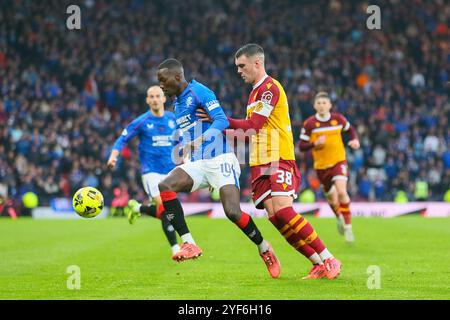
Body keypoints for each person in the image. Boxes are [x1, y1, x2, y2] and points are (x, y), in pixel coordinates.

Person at [198, 44, 341, 280]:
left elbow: (253, 125)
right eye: (237, 67)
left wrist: (221, 119)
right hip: (260, 161)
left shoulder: (269, 89)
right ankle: (316, 263)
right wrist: (215, 129)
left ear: (257, 63)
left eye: (242, 66)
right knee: (275, 217)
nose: (239, 71)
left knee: (284, 211)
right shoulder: (254, 94)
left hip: (278, 156)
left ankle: (329, 258)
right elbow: (249, 133)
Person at [156, 58, 281, 278]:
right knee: (165, 185)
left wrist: (200, 140)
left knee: (232, 212)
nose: (161, 86)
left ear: (177, 77)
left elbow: (221, 120)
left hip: (221, 158)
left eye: (163, 80)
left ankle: (264, 248)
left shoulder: (199, 92)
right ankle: (189, 243)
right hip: (198, 163)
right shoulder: (176, 104)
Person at [107, 86, 182, 258]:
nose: (155, 99)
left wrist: (185, 156)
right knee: (166, 208)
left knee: (169, 211)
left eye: (158, 96)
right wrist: (113, 156)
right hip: (151, 172)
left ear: (164, 99)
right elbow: (123, 138)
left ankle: (138, 207)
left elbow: (181, 139)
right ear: (147, 100)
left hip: (171, 172)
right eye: (151, 97)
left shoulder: (172, 119)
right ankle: (175, 249)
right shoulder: (142, 121)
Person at [299, 91, 360, 243]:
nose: (321, 106)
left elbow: (350, 130)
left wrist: (355, 140)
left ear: (330, 105)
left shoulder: (338, 119)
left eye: (324, 103)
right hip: (321, 166)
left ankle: (348, 228)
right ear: (314, 105)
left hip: (338, 161)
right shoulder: (310, 124)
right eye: (319, 103)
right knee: (332, 199)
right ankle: (339, 216)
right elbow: (301, 146)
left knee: (341, 191)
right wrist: (314, 143)